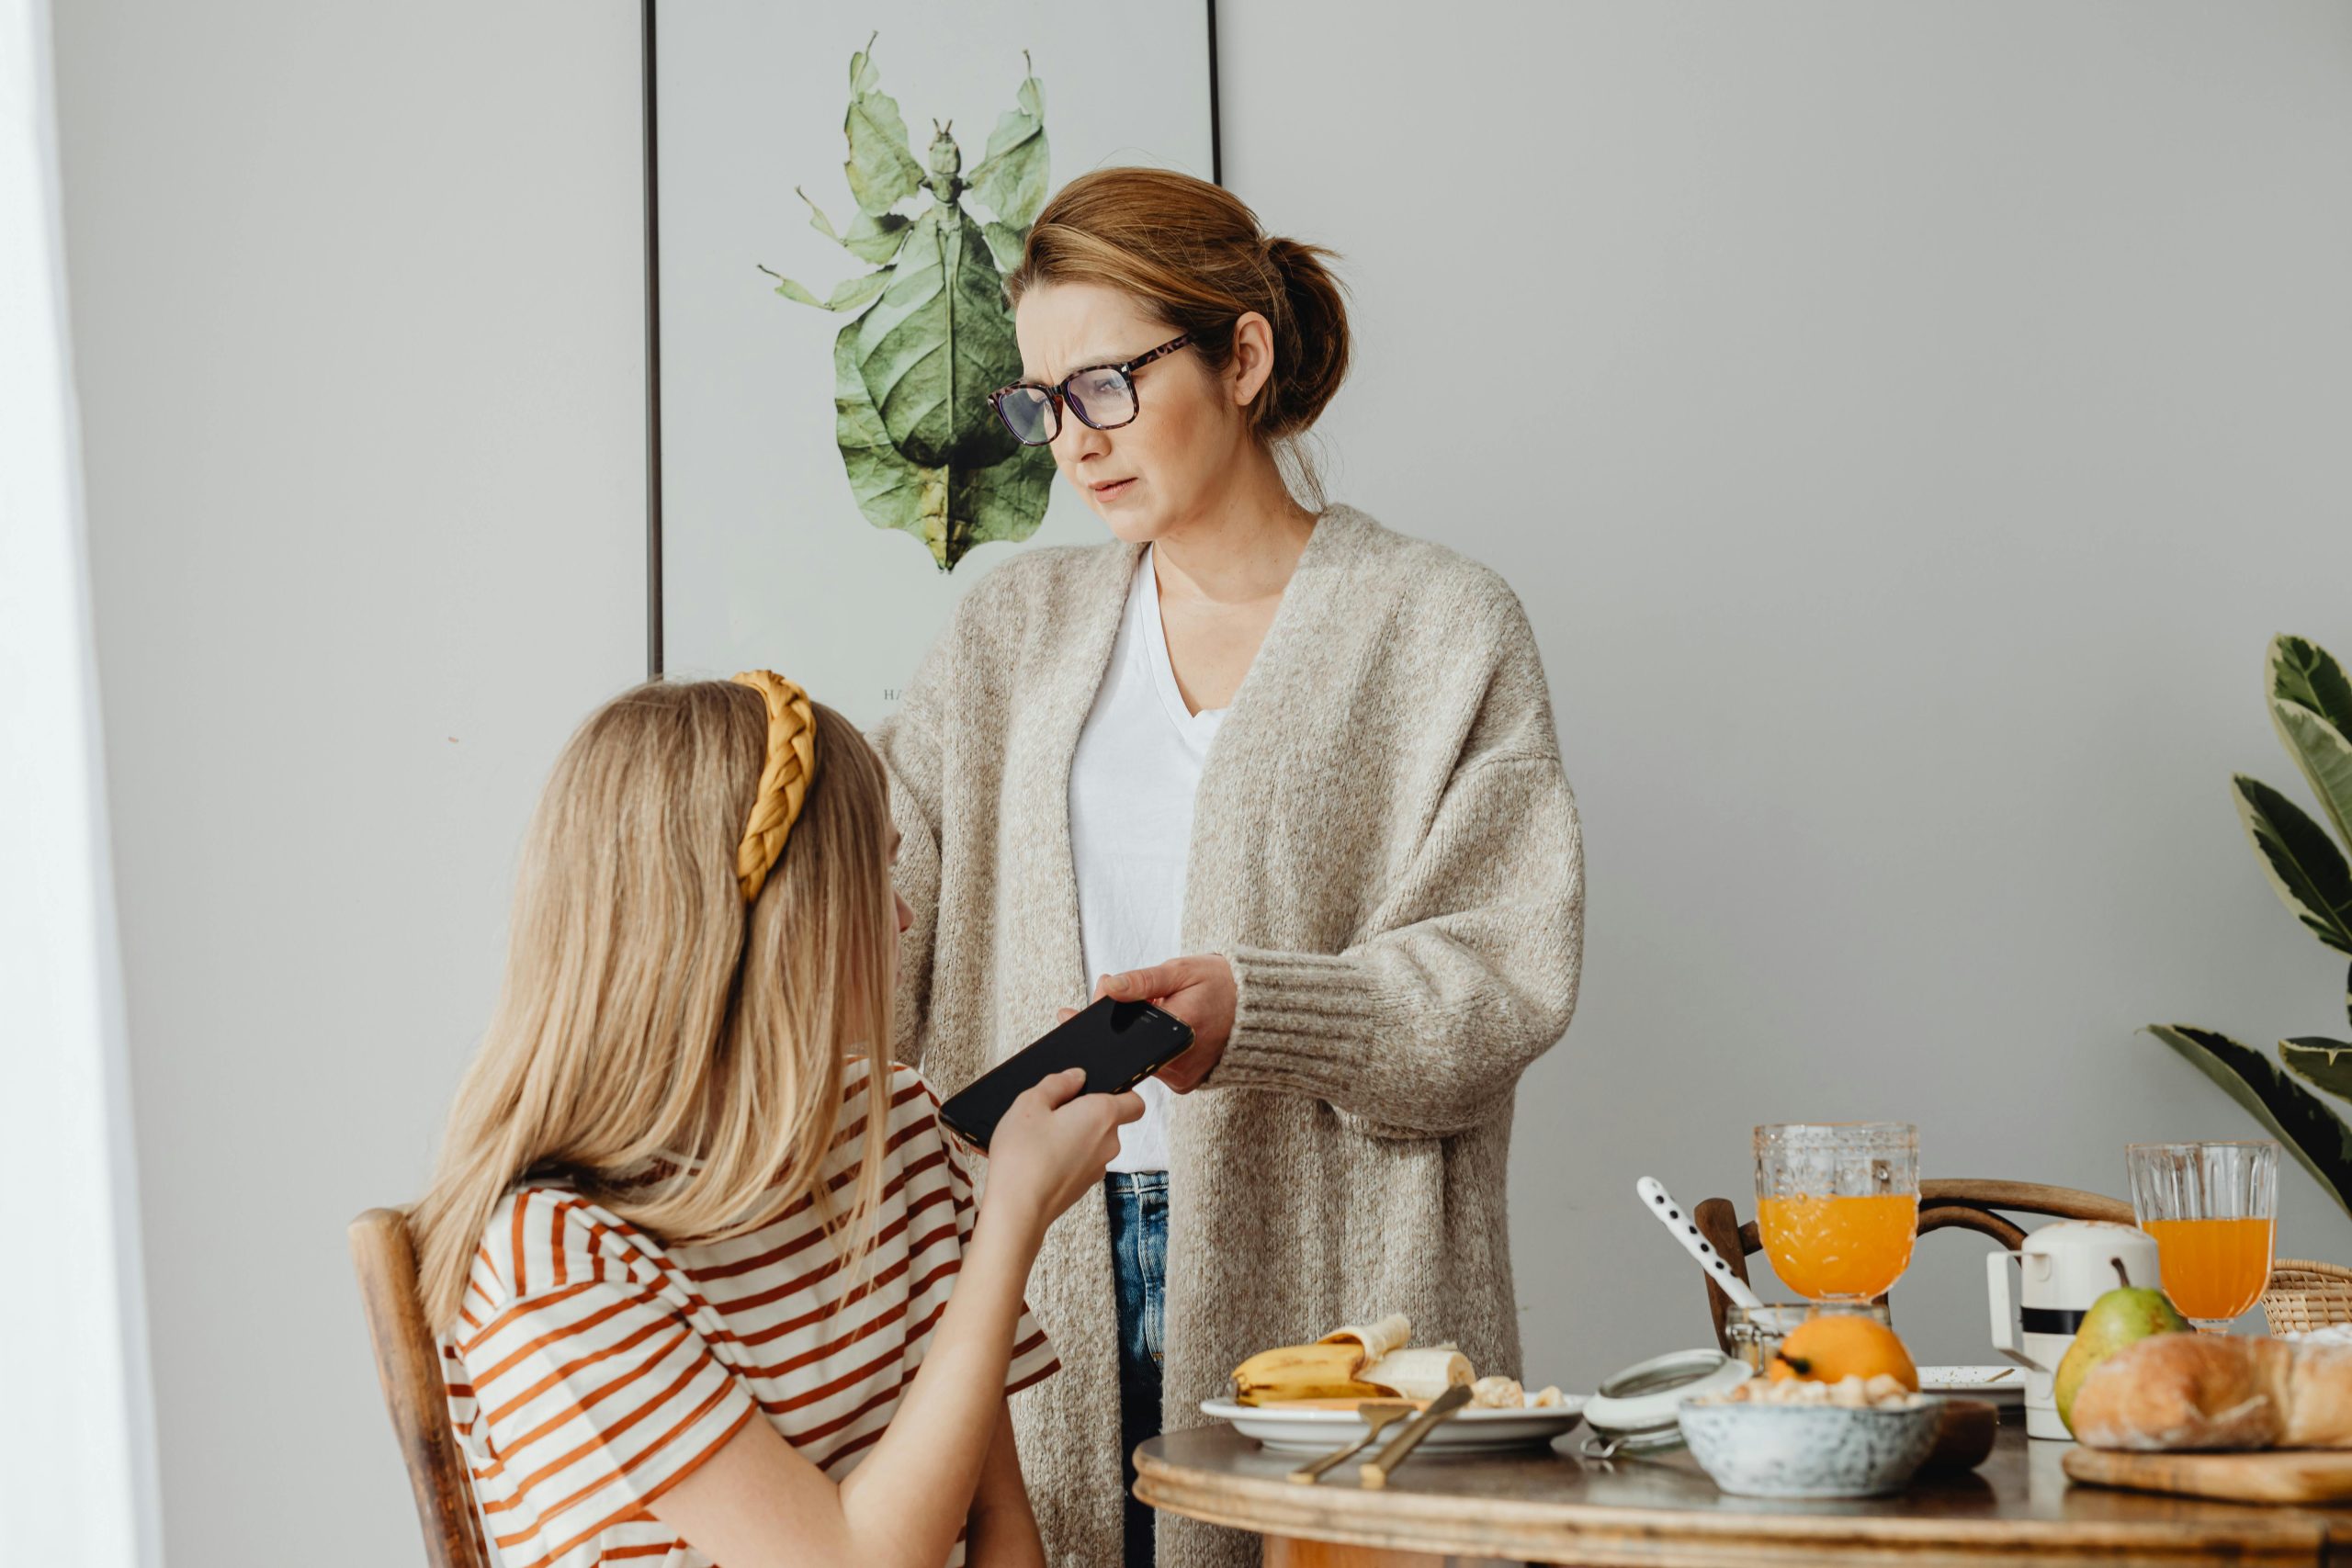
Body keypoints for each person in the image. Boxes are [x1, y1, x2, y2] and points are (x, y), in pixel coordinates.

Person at [877, 167, 1585, 1568]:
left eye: (1104, 386)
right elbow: (871, 908)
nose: (1070, 441)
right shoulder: (1005, 630)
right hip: (1035, 1276)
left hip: (1343, 1300)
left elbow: (1503, 981)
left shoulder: (1440, 623)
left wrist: (1260, 1009)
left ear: (1242, 355)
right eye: (1038, 400)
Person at [411, 674, 1143, 1568]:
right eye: (877, 870)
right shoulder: (555, 1257)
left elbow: (999, 1527)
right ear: (787, 922)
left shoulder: (895, 1131)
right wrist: (1012, 1218)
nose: (905, 916)